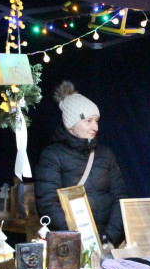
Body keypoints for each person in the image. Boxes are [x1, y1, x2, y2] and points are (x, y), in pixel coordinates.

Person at [35, 81, 128, 246]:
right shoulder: (52, 156)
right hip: (70, 245)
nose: (95, 127)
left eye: (97, 120)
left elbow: (119, 197)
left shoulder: (105, 154)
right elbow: (48, 204)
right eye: (88, 121)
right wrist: (79, 239)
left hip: (106, 243)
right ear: (71, 124)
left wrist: (109, 237)